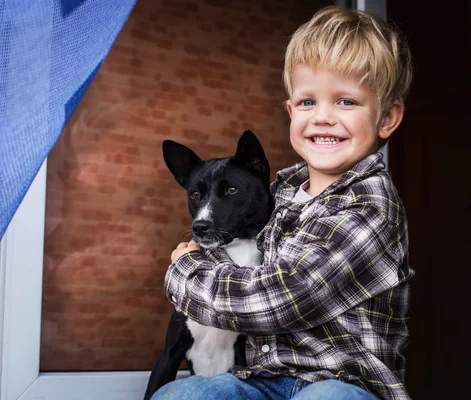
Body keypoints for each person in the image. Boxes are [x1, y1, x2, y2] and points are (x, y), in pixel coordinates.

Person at [154, 5, 414, 400]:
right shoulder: (281, 192)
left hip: (341, 383)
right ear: (291, 112)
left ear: (387, 118)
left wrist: (185, 271)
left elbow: (286, 297)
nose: (323, 117)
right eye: (308, 102)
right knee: (180, 396)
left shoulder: (369, 204)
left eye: (346, 102)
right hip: (262, 378)